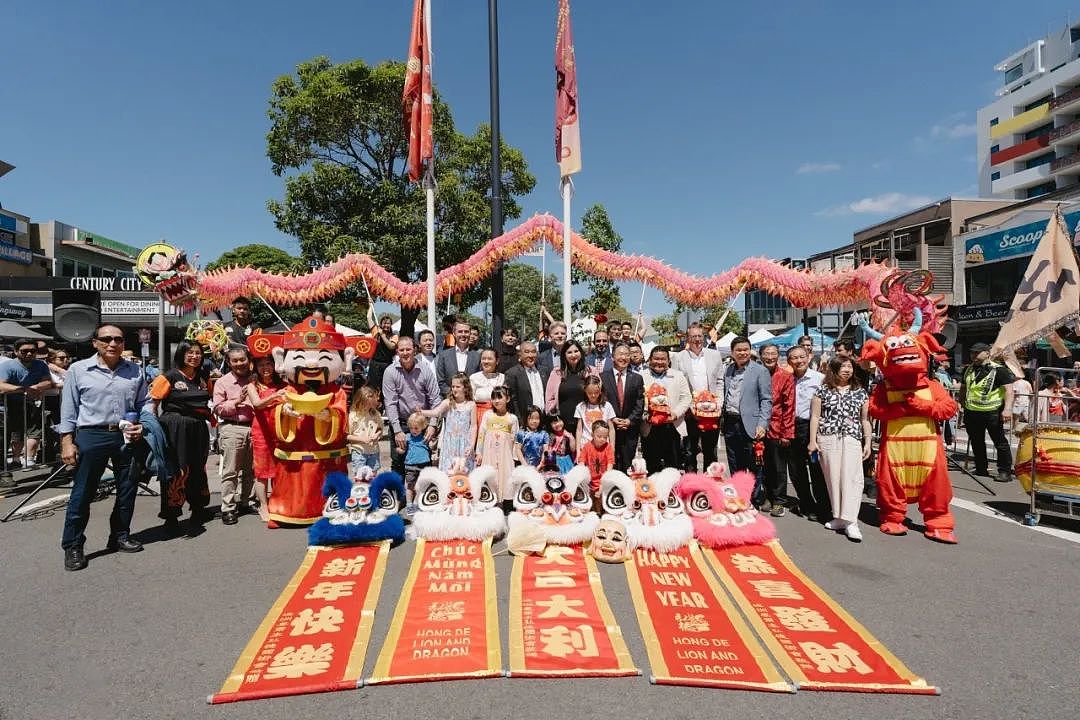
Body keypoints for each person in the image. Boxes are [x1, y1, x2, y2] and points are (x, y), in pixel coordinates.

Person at [57, 326, 149, 570]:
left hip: (126, 435)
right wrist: (67, 441)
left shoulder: (135, 371)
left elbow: (145, 402)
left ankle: (119, 535)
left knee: (127, 488)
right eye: (106, 339)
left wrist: (143, 424)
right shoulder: (78, 370)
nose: (113, 343)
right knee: (83, 492)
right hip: (91, 435)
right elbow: (68, 409)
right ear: (95, 343)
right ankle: (73, 545)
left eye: (118, 339)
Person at [151, 340, 213, 533]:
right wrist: (155, 431)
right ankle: (171, 515)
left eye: (198, 353)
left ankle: (198, 508)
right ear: (181, 354)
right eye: (190, 353)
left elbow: (209, 400)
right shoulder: (169, 376)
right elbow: (152, 405)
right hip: (174, 427)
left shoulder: (204, 377)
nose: (195, 356)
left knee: (197, 468)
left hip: (197, 427)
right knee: (176, 469)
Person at [809, 357, 871, 542]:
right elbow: (815, 417)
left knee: (852, 478)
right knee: (833, 477)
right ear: (833, 370)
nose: (847, 370)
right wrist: (812, 441)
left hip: (852, 438)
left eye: (849, 367)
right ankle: (838, 516)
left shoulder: (860, 392)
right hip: (827, 437)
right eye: (842, 367)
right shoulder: (823, 390)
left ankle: (851, 521)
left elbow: (865, 420)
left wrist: (867, 442)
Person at [382, 336, 441, 477]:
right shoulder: (390, 372)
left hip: (422, 423)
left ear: (414, 350)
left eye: (408, 349)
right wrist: (397, 431)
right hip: (401, 422)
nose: (405, 353)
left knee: (423, 463)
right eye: (401, 350)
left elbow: (435, 399)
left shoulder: (425, 370)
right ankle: (400, 498)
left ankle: (422, 497)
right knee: (398, 462)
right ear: (397, 352)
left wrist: (433, 425)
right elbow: (390, 403)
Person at [785, 346, 831, 522]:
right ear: (789, 361)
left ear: (808, 357)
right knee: (796, 470)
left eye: (801, 357)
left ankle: (824, 508)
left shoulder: (820, 379)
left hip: (812, 428)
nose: (798, 361)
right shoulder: (787, 379)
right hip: (792, 427)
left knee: (816, 469)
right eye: (794, 358)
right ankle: (806, 505)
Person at [672, 322, 725, 472]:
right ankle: (691, 484)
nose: (697, 339)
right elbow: (677, 384)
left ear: (704, 337)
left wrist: (718, 403)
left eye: (700, 336)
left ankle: (710, 484)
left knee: (710, 451)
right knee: (690, 451)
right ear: (687, 339)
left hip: (712, 412)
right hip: (690, 413)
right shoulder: (678, 357)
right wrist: (688, 407)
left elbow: (720, 381)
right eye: (693, 336)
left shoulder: (714, 355)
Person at [959, 342, 1015, 482]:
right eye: (972, 353)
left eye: (977, 353)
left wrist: (1007, 409)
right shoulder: (968, 369)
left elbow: (1009, 391)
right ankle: (981, 468)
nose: (974, 356)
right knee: (977, 442)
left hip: (992, 412)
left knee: (999, 442)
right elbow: (963, 388)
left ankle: (1005, 471)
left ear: (987, 353)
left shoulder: (999, 370)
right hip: (972, 412)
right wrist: (961, 404)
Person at [212, 347, 255, 525]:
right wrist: (237, 402)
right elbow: (217, 408)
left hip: (254, 428)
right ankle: (228, 507)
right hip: (232, 427)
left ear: (248, 359)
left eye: (242, 359)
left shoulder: (255, 378)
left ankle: (248, 501)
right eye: (235, 360)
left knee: (252, 470)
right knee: (231, 471)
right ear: (229, 363)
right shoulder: (222, 382)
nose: (239, 363)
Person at [722, 336, 773, 476]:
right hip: (730, 423)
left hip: (751, 425)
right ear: (732, 353)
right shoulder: (727, 370)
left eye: (746, 350)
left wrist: (762, 424)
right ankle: (739, 496)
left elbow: (766, 400)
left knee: (754, 467)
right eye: (738, 350)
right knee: (735, 465)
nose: (743, 353)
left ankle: (755, 498)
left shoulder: (760, 371)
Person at [0, 337, 55, 467]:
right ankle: (15, 459)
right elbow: (1, 386)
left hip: (34, 404)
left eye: (32, 351)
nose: (29, 353)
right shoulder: (7, 366)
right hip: (11, 406)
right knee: (15, 433)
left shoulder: (41, 365)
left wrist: (37, 387)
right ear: (16, 351)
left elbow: (48, 382)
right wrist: (23, 389)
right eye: (24, 351)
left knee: (35, 432)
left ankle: (28, 458)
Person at [245, 354, 286, 522]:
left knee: (279, 470)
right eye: (261, 365)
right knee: (261, 472)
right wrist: (275, 396)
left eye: (268, 363)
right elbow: (256, 404)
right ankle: (263, 504)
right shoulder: (252, 386)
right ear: (255, 367)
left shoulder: (283, 385)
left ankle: (277, 502)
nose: (265, 368)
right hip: (261, 432)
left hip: (280, 432)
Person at [640, 346, 691, 473]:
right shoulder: (641, 376)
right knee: (651, 465)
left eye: (663, 359)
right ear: (650, 360)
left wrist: (675, 414)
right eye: (656, 359)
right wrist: (645, 415)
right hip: (650, 427)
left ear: (668, 361)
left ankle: (671, 492)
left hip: (672, 425)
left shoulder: (678, 376)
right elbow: (637, 401)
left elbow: (686, 398)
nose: (659, 362)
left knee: (672, 466)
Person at [760, 343, 794, 516]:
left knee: (779, 466)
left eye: (773, 354)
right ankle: (767, 495)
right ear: (760, 356)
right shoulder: (756, 373)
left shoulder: (786, 376)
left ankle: (779, 500)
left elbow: (789, 407)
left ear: (778, 355)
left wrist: (786, 433)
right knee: (763, 464)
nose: (770, 357)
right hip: (759, 427)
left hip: (777, 427)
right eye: (766, 354)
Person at [601, 343, 645, 471]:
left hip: (629, 429)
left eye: (627, 354)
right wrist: (613, 418)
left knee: (627, 466)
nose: (624, 357)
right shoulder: (603, 377)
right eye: (620, 354)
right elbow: (602, 401)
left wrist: (630, 420)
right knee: (610, 464)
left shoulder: (637, 378)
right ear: (613, 356)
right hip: (609, 429)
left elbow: (640, 402)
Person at [422, 372, 477, 472]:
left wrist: (472, 445)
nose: (454, 389)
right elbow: (435, 412)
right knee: (449, 470)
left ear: (465, 388)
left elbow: (473, 426)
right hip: (450, 443)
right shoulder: (448, 403)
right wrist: (421, 412)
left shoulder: (471, 405)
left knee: (464, 470)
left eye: (458, 386)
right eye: (453, 386)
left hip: (465, 443)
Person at [475, 386, 519, 504]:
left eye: (500, 397)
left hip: (505, 456)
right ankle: (489, 500)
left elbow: (515, 439)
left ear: (508, 399)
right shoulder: (488, 415)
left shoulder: (512, 418)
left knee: (506, 477)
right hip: (489, 454)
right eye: (493, 398)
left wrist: (514, 457)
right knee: (490, 476)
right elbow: (481, 434)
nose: (496, 401)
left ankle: (506, 503)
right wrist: (479, 452)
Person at [545, 339, 595, 437]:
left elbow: (598, 395)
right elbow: (549, 399)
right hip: (562, 425)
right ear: (564, 355)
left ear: (581, 352)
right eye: (569, 352)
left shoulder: (591, 371)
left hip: (585, 424)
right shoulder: (556, 373)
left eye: (576, 351)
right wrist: (554, 420)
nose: (573, 355)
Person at [504, 340, 550, 427]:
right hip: (524, 423)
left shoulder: (545, 371)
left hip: (544, 422)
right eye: (527, 352)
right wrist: (520, 422)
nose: (530, 355)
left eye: (533, 352)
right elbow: (513, 402)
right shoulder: (512, 373)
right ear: (520, 355)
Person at [435, 320, 481, 397]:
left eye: (466, 332)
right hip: (449, 401)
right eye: (460, 331)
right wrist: (453, 395)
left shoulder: (477, 356)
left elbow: (480, 380)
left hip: (470, 400)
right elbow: (440, 381)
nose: (463, 334)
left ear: (470, 334)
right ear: (454, 333)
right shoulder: (444, 355)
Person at [346, 384, 383, 476]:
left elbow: (380, 429)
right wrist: (363, 439)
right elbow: (347, 436)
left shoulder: (375, 414)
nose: (369, 406)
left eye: (371, 404)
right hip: (359, 452)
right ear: (360, 401)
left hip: (374, 451)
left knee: (373, 477)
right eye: (367, 403)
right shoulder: (353, 416)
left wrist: (377, 435)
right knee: (360, 478)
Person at [578, 419, 615, 508]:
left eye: (605, 437)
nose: (602, 439)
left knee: (600, 505)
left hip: (603, 482)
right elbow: (581, 463)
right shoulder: (587, 447)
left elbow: (610, 467)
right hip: (589, 482)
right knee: (589, 505)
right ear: (592, 434)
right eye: (599, 436)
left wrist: (603, 485)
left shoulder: (608, 447)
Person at [574, 375, 616, 450]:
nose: (593, 395)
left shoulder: (607, 406)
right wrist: (578, 450)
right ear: (585, 390)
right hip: (585, 446)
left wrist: (612, 448)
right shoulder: (580, 407)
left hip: (603, 446)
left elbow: (611, 429)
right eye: (590, 393)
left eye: (596, 392)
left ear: (600, 391)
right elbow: (579, 430)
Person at [402, 411, 433, 516]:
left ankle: (416, 503)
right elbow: (401, 448)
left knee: (421, 486)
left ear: (423, 427)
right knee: (410, 486)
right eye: (411, 428)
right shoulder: (407, 437)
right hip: (410, 465)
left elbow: (432, 446)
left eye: (416, 428)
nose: (413, 431)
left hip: (424, 465)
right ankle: (409, 505)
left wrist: (433, 444)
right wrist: (400, 450)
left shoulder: (425, 437)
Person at [470, 348, 506, 428]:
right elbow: (469, 401)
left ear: (497, 361)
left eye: (489, 359)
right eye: (483, 359)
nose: (486, 361)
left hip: (498, 417)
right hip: (478, 417)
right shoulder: (474, 378)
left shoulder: (503, 378)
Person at [366, 312, 398, 398]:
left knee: (386, 387)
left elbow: (391, 346)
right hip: (375, 364)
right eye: (384, 323)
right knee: (373, 388)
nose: (386, 325)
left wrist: (383, 336)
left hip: (387, 365)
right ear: (381, 324)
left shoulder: (394, 336)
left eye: (388, 323)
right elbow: (369, 317)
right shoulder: (376, 333)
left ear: (391, 325)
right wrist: (370, 305)